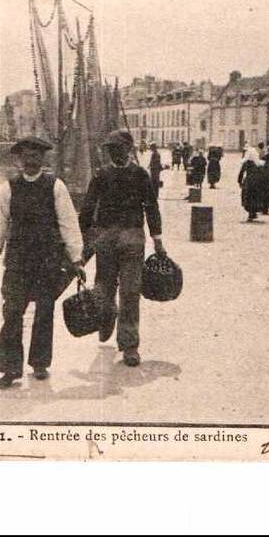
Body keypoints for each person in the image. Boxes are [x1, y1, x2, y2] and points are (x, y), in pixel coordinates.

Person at [0, 136, 86, 388]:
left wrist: (76, 258)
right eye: (27, 156)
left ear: (43, 159)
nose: (31, 161)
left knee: (44, 311)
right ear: (19, 159)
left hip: (47, 261)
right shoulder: (8, 189)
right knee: (12, 312)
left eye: (36, 156)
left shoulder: (56, 187)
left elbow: (68, 224)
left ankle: (39, 363)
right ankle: (10, 368)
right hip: (17, 261)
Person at [80, 130, 164, 368]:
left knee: (130, 290)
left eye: (118, 148)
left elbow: (151, 207)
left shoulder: (140, 175)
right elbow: (87, 208)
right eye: (111, 149)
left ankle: (129, 345)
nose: (114, 153)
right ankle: (107, 316)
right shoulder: (101, 175)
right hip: (105, 237)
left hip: (132, 237)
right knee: (104, 289)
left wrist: (157, 239)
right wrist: (83, 238)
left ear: (129, 148)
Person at [238, 146, 265, 221]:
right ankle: (254, 212)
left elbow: (241, 173)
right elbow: (262, 173)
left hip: (248, 181)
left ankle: (250, 212)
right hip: (256, 181)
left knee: (248, 197)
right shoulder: (258, 164)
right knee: (255, 197)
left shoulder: (246, 163)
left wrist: (239, 182)